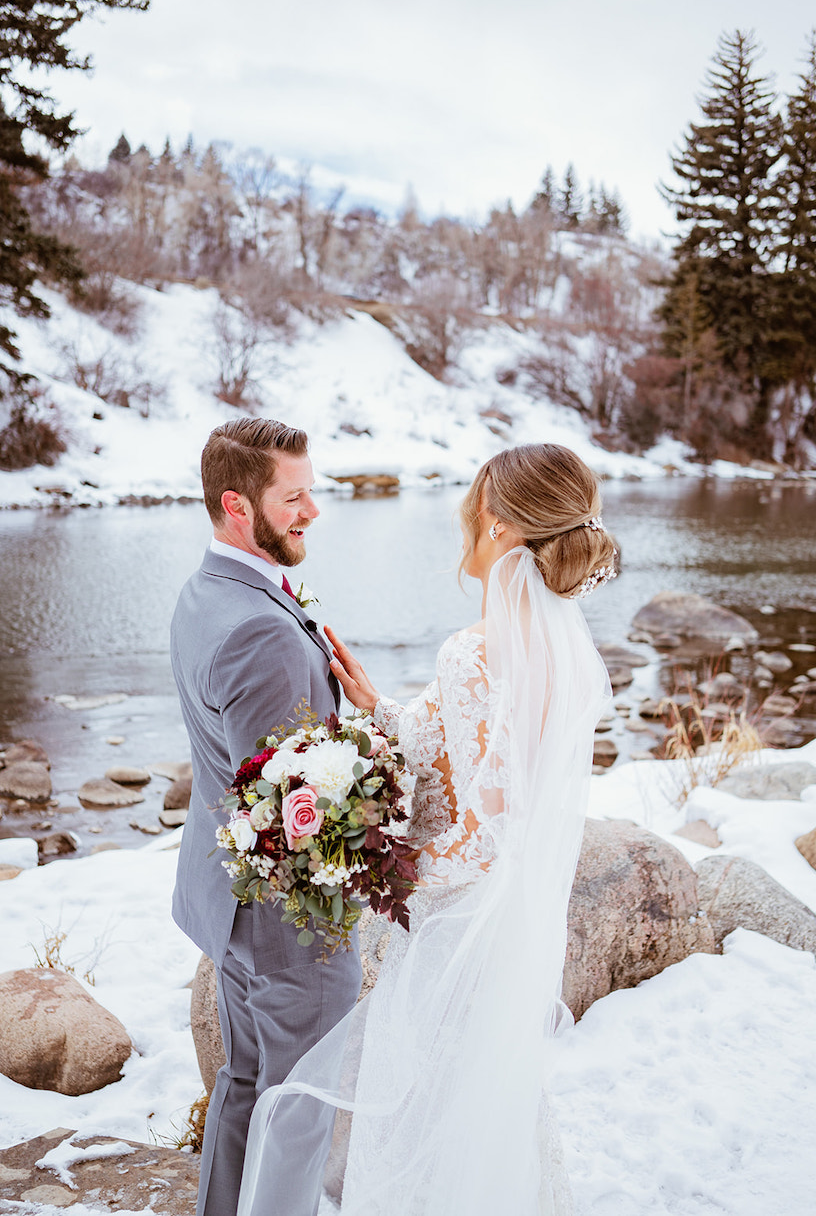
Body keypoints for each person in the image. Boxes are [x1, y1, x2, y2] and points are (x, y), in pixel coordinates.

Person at [237, 443, 617, 1216]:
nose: (462, 518)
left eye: (473, 502)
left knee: (427, 1130)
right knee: (484, 1124)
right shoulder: (553, 645)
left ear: (499, 524)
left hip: (454, 940)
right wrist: (381, 709)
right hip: (498, 934)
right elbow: (476, 758)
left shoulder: (475, 653)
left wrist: (384, 874)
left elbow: (485, 835)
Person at [170, 417, 362, 1216]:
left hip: (230, 896)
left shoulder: (208, 589)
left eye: (310, 491)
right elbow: (292, 810)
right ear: (236, 506)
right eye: (293, 497)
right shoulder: (260, 631)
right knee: (299, 1107)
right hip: (287, 922)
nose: (312, 510)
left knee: (247, 1087)